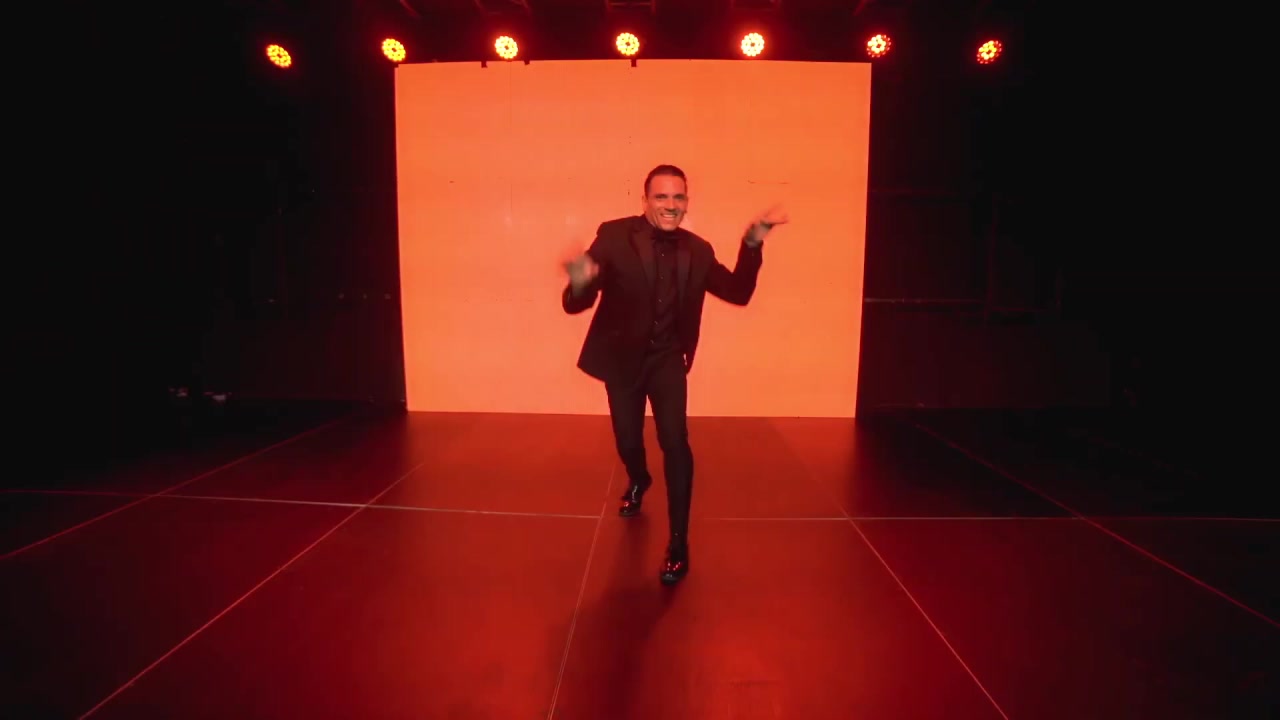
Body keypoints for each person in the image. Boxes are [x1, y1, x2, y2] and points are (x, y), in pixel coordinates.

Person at [561, 164, 788, 585]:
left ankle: (679, 543)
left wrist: (753, 241)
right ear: (645, 200)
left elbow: (738, 292)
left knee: (676, 441)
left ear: (686, 202)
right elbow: (576, 303)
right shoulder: (614, 236)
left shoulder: (697, 251)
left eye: (678, 197)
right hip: (622, 360)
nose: (670, 205)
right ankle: (639, 478)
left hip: (666, 360)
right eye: (661, 196)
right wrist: (581, 283)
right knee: (628, 441)